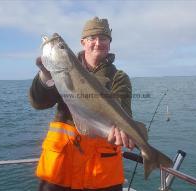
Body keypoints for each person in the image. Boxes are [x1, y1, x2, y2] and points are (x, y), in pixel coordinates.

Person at [29, 17, 134, 191]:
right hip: (61, 169)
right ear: (83, 42)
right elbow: (38, 103)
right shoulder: (62, 68)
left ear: (109, 42)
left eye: (103, 38)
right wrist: (45, 76)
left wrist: (124, 133)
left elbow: (123, 114)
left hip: (100, 173)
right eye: (92, 38)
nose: (98, 43)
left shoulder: (119, 78)